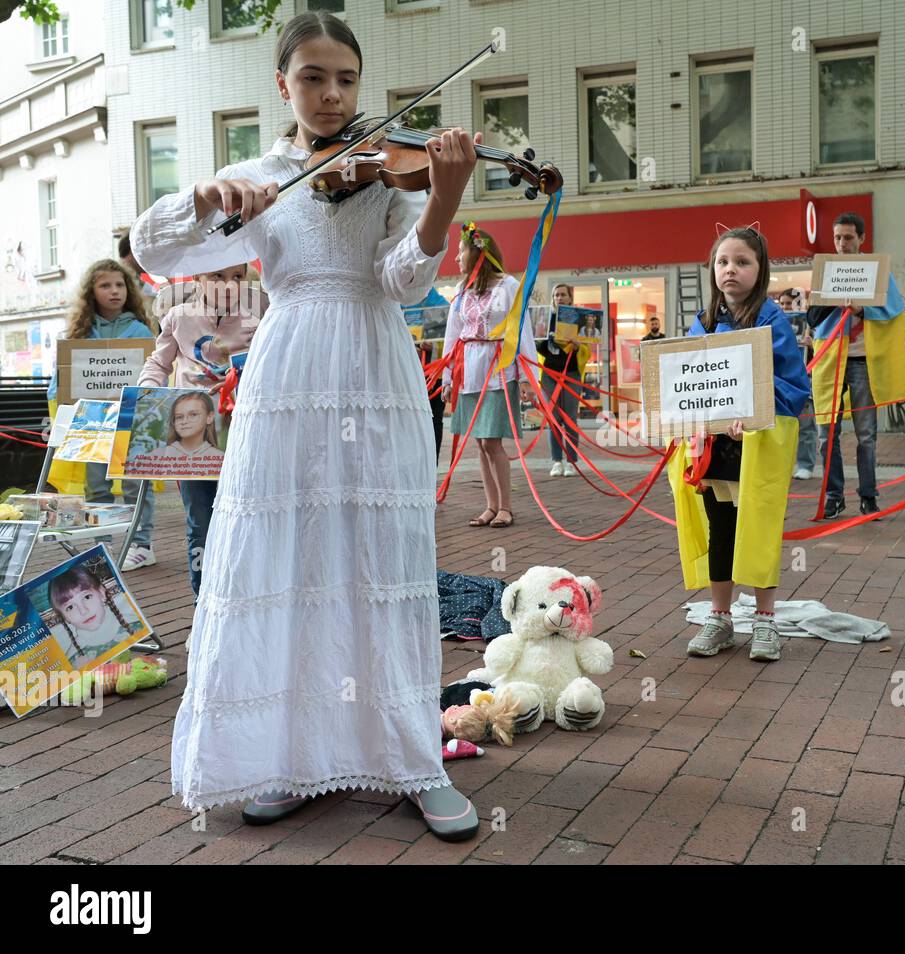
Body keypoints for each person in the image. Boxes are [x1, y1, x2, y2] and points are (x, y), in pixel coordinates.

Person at [129, 10, 481, 838]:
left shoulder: (390, 170)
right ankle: (287, 755)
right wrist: (205, 196)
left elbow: (403, 281)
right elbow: (154, 248)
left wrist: (446, 198)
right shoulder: (257, 178)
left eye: (347, 79)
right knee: (289, 551)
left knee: (384, 554)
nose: (332, 94)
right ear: (281, 84)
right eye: (314, 77)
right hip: (289, 370)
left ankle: (411, 756)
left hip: (374, 363)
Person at [668, 227, 811, 663]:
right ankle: (720, 617)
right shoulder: (704, 322)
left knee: (760, 527)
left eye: (742, 261)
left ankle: (765, 620)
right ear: (713, 270)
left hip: (757, 445)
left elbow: (794, 386)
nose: (731, 269)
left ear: (760, 269)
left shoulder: (773, 321)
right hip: (715, 447)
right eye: (723, 261)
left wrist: (749, 415)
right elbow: (689, 379)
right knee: (721, 529)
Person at [138, 263, 259, 597]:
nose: (228, 285)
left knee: (242, 517)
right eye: (217, 276)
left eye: (237, 277)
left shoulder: (256, 323)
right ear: (198, 279)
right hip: (190, 438)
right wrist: (149, 393)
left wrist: (242, 379)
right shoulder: (178, 317)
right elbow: (158, 363)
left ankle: (239, 598)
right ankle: (202, 601)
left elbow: (269, 372)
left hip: (240, 434)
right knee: (199, 522)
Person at [49, 259, 158, 570]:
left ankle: (142, 543)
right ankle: (104, 542)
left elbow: (153, 371)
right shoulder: (80, 333)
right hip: (93, 422)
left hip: (131, 421)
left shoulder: (139, 330)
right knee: (97, 486)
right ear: (91, 292)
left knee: (135, 485)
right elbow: (63, 379)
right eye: (105, 285)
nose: (114, 291)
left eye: (120, 285)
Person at [808, 212, 905, 517]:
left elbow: (893, 310)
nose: (841, 243)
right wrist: (833, 303)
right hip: (829, 358)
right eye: (837, 237)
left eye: (848, 237)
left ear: (862, 239)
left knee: (866, 434)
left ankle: (868, 495)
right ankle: (834, 495)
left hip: (864, 360)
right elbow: (811, 319)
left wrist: (863, 311)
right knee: (827, 434)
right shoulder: (825, 271)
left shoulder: (877, 271)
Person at [441, 223, 539, 528]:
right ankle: (490, 505)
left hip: (498, 371)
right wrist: (447, 378)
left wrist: (526, 376)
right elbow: (452, 334)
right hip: (469, 370)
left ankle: (505, 507)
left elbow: (521, 331)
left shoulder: (508, 286)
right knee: (480, 443)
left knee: (492, 441)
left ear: (478, 253)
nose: (457, 258)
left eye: (461, 251)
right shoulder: (461, 291)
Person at [538, 283, 588, 476]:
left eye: (562, 295)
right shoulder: (544, 319)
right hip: (549, 375)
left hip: (571, 374)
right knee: (554, 419)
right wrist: (543, 340)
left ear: (570, 298)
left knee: (570, 419)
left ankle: (571, 462)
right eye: (556, 295)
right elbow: (538, 347)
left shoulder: (578, 320)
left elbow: (586, 350)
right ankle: (557, 461)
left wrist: (577, 347)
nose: (559, 298)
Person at [48, 563, 135, 669]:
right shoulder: (73, 659)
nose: (83, 611)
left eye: (87, 597)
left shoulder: (135, 625)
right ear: (63, 617)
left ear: (102, 593)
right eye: (70, 607)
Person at [779, 288, 818, 480]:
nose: (787, 308)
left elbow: (824, 356)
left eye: (791, 304)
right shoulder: (775, 325)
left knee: (806, 427)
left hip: (804, 384)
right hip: (781, 384)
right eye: (784, 304)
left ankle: (805, 465)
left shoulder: (812, 326)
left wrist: (813, 346)